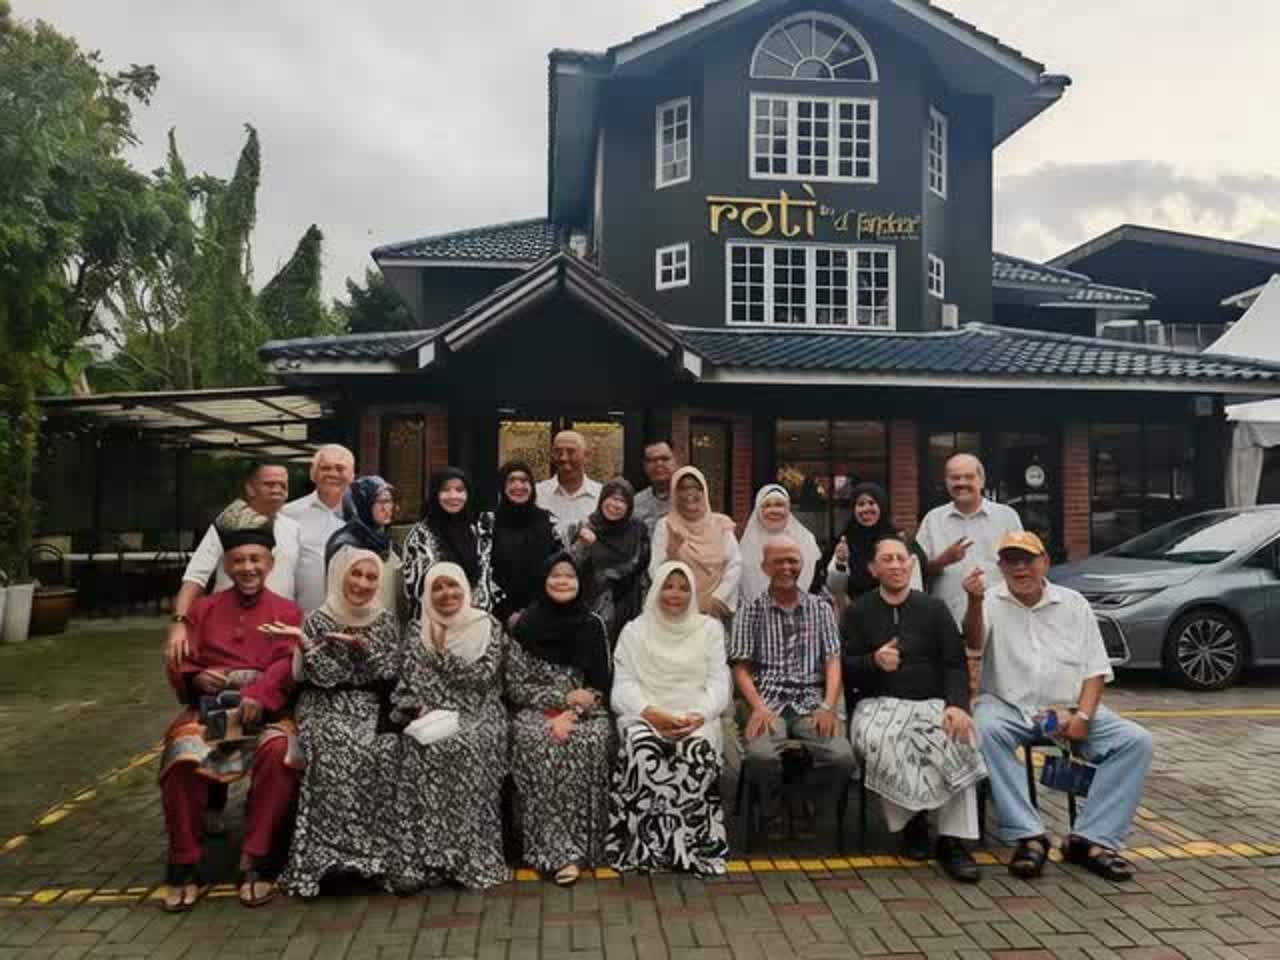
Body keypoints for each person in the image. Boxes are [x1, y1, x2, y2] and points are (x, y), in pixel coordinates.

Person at [964, 531, 1153, 882]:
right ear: (1000, 566)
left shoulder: (1074, 603)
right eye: (1011, 561)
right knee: (985, 729)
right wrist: (973, 602)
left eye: (1027, 560)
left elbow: (1096, 668)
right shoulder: (988, 600)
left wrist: (1083, 716)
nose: (1020, 568)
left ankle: (1091, 839)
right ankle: (1030, 835)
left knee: (1135, 741)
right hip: (1009, 706)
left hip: (1069, 706)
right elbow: (973, 644)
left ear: (1045, 563)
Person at [157, 507, 303, 912]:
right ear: (226, 566)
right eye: (239, 560)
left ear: (270, 563)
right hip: (210, 712)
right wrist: (195, 678)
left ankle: (257, 858)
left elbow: (286, 664)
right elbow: (183, 661)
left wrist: (257, 694)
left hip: (264, 714)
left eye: (256, 559)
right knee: (180, 757)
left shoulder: (288, 612)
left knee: (281, 754)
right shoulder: (202, 611)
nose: (248, 568)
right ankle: (183, 864)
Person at [842, 536, 984, 882]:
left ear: (911, 565)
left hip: (932, 702)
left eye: (901, 558)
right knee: (881, 740)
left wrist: (957, 706)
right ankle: (913, 824)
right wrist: (873, 661)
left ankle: (953, 840)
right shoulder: (858, 611)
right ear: (873, 569)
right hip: (877, 704)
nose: (895, 565)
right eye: (886, 559)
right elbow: (843, 667)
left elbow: (955, 664)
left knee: (959, 737)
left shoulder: (934, 609)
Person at [280, 547, 402, 898]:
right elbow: (323, 678)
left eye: (371, 577)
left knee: (381, 749)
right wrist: (309, 647)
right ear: (340, 576)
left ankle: (372, 859)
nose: (362, 583)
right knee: (334, 745)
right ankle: (325, 859)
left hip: (368, 703)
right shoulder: (319, 619)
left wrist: (364, 649)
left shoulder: (385, 620)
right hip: (324, 703)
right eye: (356, 574)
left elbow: (389, 673)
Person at [385, 563, 509, 891]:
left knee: (464, 746)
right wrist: (418, 707)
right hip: (432, 714)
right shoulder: (418, 629)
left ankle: (466, 859)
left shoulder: (487, 626)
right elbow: (411, 681)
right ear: (427, 593)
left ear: (465, 588)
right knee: (416, 747)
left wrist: (442, 655)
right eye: (437, 587)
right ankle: (421, 861)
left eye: (452, 585)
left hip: (480, 714)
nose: (446, 593)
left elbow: (482, 679)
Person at [608, 561, 731, 875]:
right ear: (656, 589)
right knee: (641, 748)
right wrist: (650, 713)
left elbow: (719, 684)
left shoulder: (709, 630)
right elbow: (622, 686)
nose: (675, 594)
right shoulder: (635, 631)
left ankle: (691, 848)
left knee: (696, 751)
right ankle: (644, 848)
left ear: (693, 593)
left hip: (696, 717)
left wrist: (698, 715)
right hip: (646, 714)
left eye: (684, 588)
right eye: (668, 586)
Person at [728, 538, 854, 831]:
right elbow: (741, 668)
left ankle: (808, 804)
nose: (786, 567)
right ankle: (772, 811)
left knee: (842, 758)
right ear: (764, 567)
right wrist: (757, 707)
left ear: (802, 565)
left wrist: (828, 706)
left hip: (811, 703)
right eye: (778, 561)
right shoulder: (750, 610)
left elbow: (833, 661)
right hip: (768, 703)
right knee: (760, 756)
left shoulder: (820, 608)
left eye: (792, 561)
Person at [508, 553, 614, 886]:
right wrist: (561, 700)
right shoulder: (524, 625)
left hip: (586, 711)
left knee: (589, 740)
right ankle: (551, 851)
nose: (562, 581)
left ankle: (584, 849)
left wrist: (575, 711)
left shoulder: (592, 624)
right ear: (543, 581)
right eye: (554, 575)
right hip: (535, 709)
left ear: (580, 582)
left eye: (570, 576)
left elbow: (600, 684)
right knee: (539, 741)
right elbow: (515, 686)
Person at [168, 463, 302, 668]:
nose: (277, 489)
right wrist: (180, 622)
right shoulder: (226, 523)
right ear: (250, 488)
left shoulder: (293, 528)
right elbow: (196, 577)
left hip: (278, 628)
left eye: (283, 485)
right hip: (230, 630)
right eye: (269, 484)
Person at [916, 454, 1022, 625]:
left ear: (981, 481)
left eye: (968, 477)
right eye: (955, 478)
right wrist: (943, 560)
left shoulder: (1006, 517)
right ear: (946, 482)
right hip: (947, 620)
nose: (961, 483)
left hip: (1000, 618)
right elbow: (917, 573)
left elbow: (1022, 565)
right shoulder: (932, 520)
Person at [401, 467, 496, 622]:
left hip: (476, 622)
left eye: (459, 490)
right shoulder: (420, 537)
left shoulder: (477, 531)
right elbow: (415, 591)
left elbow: (486, 578)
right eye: (445, 490)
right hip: (436, 625)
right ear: (435, 494)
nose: (453, 496)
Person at [650, 466, 742, 622]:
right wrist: (673, 553)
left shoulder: (721, 524)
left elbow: (734, 563)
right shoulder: (666, 525)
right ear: (674, 493)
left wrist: (718, 598)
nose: (690, 493)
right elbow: (655, 569)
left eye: (695, 487)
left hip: (715, 610)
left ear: (704, 491)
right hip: (676, 609)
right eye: (683, 488)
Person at [570, 478, 651, 648]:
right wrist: (584, 545)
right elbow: (571, 566)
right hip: (590, 604)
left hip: (627, 604)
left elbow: (637, 567)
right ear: (602, 499)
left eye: (622, 500)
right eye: (612, 498)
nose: (615, 505)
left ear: (629, 505)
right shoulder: (588, 526)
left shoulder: (638, 530)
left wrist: (596, 548)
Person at [488, 460, 564, 631]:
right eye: (511, 480)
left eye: (524, 480)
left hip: (545, 614)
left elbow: (560, 567)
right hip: (499, 618)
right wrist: (507, 613)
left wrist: (538, 610)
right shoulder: (488, 523)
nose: (518, 486)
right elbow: (483, 572)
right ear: (502, 486)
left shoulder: (549, 521)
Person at [825, 482, 924, 613]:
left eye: (871, 503)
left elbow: (913, 583)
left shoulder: (898, 541)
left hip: (895, 612)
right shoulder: (845, 541)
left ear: (881, 506)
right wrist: (840, 561)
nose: (866, 509)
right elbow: (834, 587)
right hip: (855, 613)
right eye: (861, 504)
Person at [282, 445, 356, 612]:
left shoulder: (363, 517)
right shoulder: (289, 514)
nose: (333, 474)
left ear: (352, 475)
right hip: (302, 617)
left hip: (352, 618)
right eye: (325, 468)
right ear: (313, 474)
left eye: (340, 468)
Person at [326, 475, 403, 614]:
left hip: (386, 623)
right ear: (364, 505)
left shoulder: (389, 543)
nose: (388, 508)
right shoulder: (345, 545)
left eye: (390, 501)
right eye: (382, 502)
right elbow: (336, 598)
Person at [738, 484, 822, 601]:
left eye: (779, 505)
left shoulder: (807, 540)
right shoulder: (747, 545)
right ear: (758, 510)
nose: (774, 511)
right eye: (767, 506)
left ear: (788, 508)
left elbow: (817, 585)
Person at [536, 431, 603, 538]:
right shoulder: (537, 494)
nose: (563, 458)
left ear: (587, 455)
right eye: (558, 452)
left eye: (571, 452)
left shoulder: (601, 495)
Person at [632, 440, 676, 535]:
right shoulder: (636, 503)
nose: (659, 464)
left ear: (675, 461)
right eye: (652, 460)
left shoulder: (688, 498)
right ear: (644, 466)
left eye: (664, 458)